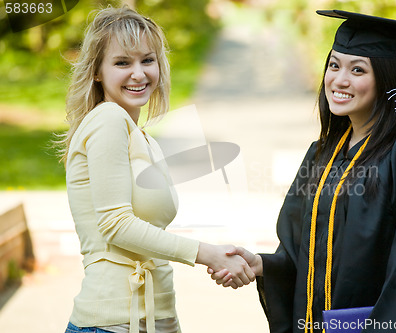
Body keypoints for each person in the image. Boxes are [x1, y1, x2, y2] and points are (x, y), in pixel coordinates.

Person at [209, 9, 396, 333]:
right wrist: (262, 265)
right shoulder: (321, 153)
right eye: (334, 65)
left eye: (358, 69)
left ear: (385, 78)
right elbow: (300, 254)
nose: (340, 80)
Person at [59, 6, 254, 333]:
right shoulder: (107, 120)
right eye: (123, 62)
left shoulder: (142, 137)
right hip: (112, 321)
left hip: (153, 318)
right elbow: (116, 224)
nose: (138, 73)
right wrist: (208, 254)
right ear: (96, 71)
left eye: (147, 60)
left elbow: (150, 243)